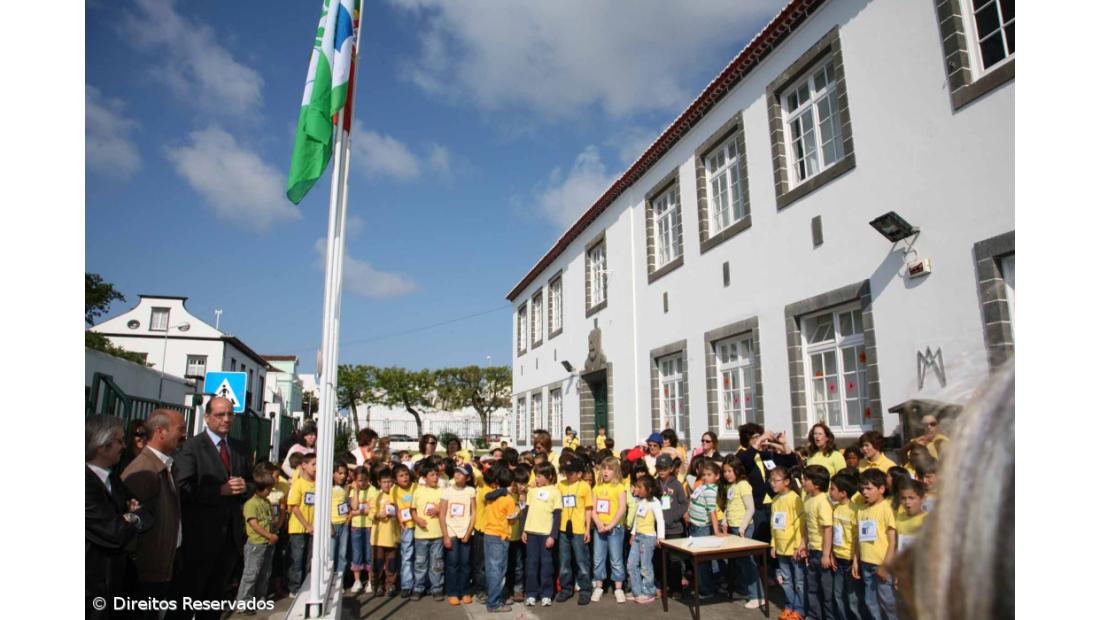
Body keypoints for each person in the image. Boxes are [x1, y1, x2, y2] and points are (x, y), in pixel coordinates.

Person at [895, 363, 1013, 620]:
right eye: (924, 426)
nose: (927, 430)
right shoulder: (915, 447)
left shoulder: (946, 444)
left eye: (931, 425)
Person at [174, 397, 253, 618]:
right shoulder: (191, 448)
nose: (226, 419)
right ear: (207, 417)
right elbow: (182, 488)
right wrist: (218, 491)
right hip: (199, 538)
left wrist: (245, 487)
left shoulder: (239, 448)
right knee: (187, 599)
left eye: (230, 414)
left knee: (214, 601)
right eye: (220, 415)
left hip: (229, 539)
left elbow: (253, 482)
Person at [86, 415, 151, 619]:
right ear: (101, 446)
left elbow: (146, 514)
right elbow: (113, 533)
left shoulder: (112, 480)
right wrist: (131, 516)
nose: (124, 446)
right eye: (119, 441)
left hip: (115, 583)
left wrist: (129, 517)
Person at [121, 409, 186, 613]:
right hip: (148, 572)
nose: (184, 435)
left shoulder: (166, 465)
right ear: (160, 431)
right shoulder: (144, 469)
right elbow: (133, 526)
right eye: (180, 429)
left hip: (164, 565)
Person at [853, 468, 898, 620]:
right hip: (866, 563)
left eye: (869, 488)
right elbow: (859, 538)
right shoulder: (862, 511)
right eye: (862, 489)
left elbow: (892, 541)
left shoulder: (887, 509)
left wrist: (885, 565)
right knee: (871, 601)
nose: (865, 492)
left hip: (881, 564)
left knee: (888, 603)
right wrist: (856, 561)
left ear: (881, 489)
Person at [719, 457, 762, 608]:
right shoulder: (731, 486)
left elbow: (750, 508)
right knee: (740, 563)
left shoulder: (743, 485)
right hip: (733, 527)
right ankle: (744, 590)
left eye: (730, 471)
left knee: (748, 562)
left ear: (737, 470)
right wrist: (725, 520)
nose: (727, 474)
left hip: (743, 528)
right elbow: (728, 506)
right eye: (725, 471)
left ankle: (757, 596)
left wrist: (743, 527)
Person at [236, 468, 279, 608]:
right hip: (256, 544)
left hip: (268, 543)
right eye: (268, 489)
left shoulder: (266, 502)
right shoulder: (251, 504)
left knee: (265, 573)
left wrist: (274, 531)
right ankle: (244, 602)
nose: (270, 492)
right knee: (251, 574)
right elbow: (253, 524)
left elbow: (270, 519)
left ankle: (260, 598)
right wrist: (269, 535)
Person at [522, 462, 562, 606]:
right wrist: (524, 530)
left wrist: (553, 535)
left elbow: (557, 515)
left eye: (539, 476)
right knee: (531, 564)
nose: (536, 479)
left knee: (546, 564)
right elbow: (526, 511)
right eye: (536, 476)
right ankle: (531, 593)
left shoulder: (555, 492)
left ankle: (546, 593)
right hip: (531, 533)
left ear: (549, 476)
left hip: (546, 533)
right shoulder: (532, 492)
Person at [768, 466, 805, 620]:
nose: (772, 483)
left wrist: (798, 545)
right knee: (786, 580)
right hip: (781, 547)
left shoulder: (795, 498)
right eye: (771, 480)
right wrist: (773, 544)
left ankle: (800, 609)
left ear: (787, 481)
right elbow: (773, 525)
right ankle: (789, 605)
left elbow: (800, 524)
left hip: (794, 548)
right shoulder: (775, 500)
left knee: (799, 581)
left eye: (776, 480)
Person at [555, 458, 593, 604]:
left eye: (571, 473)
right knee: (564, 561)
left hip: (579, 529)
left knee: (582, 561)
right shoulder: (561, 485)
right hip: (563, 529)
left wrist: (587, 529)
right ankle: (566, 589)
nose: (568, 475)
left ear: (579, 473)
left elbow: (588, 509)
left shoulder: (584, 486)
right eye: (566, 472)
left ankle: (585, 590)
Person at [591, 456, 628, 603]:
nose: (606, 472)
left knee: (616, 559)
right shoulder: (597, 488)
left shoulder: (619, 487)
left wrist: (611, 525)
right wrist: (599, 524)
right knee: (598, 558)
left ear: (616, 471)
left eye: (610, 469)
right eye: (604, 468)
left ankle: (618, 588)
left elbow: (622, 509)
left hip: (615, 529)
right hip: (599, 528)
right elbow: (593, 509)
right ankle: (599, 586)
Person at [483, 466, 518, 614]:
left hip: (489, 534)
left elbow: (487, 496)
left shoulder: (492, 496)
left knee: (491, 569)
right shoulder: (509, 500)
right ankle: (494, 603)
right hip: (500, 536)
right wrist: (518, 512)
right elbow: (511, 520)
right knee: (498, 570)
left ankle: (494, 597)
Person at [802, 465, 835, 620]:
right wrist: (804, 543)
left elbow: (828, 528)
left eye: (806, 479)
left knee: (827, 592)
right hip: (812, 549)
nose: (803, 482)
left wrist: (826, 554)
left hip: (822, 551)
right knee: (812, 587)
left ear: (817, 484)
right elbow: (807, 524)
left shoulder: (823, 501)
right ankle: (814, 615)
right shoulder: (808, 498)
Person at [686, 459, 723, 599]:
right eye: (704, 474)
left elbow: (712, 511)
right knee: (698, 560)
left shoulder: (711, 490)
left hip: (702, 528)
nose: (706, 477)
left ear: (717, 476)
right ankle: (705, 587)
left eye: (709, 474)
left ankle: (707, 590)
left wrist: (716, 531)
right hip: (695, 526)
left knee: (701, 561)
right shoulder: (703, 486)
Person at [441, 462, 476, 605]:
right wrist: (446, 535)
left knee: (465, 563)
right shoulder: (447, 491)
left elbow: (474, 513)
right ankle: (453, 592)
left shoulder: (470, 491)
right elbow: (442, 514)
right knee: (453, 563)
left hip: (466, 532)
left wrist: (469, 532)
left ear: (468, 478)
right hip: (451, 532)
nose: (457, 474)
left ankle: (465, 591)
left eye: (461, 473)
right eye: (456, 471)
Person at [654, 454, 688, 599]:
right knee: (660, 560)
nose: (662, 470)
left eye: (665, 468)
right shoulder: (655, 483)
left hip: (674, 529)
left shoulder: (677, 484)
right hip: (658, 530)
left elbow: (684, 504)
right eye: (659, 467)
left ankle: (677, 589)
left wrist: (674, 516)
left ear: (671, 468)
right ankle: (663, 586)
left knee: (675, 560)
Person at [411, 460, 445, 600]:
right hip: (421, 535)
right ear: (424, 477)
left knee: (437, 563)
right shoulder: (418, 491)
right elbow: (412, 510)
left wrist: (439, 509)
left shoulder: (442, 491)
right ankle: (418, 587)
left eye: (437, 474)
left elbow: (446, 508)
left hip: (438, 534)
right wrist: (417, 519)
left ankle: (437, 588)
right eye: (432, 475)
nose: (435, 477)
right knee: (420, 563)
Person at [627, 473, 664, 604]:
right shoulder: (640, 501)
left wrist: (660, 537)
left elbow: (660, 520)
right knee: (631, 564)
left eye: (640, 487)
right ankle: (637, 591)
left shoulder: (655, 502)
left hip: (648, 538)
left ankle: (649, 591)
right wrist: (633, 534)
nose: (637, 489)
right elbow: (636, 520)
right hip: (638, 537)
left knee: (645, 566)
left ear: (649, 489)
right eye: (636, 487)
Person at [829, 471, 861, 620]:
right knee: (838, 595)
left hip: (849, 560)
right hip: (838, 559)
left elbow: (857, 539)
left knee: (853, 599)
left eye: (832, 489)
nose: (830, 492)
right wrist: (831, 554)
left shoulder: (854, 511)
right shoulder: (835, 508)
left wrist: (855, 560)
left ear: (843, 493)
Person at [286, 452, 318, 594]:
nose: (316, 468)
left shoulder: (318, 484)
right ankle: (294, 588)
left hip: (313, 529)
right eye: (313, 464)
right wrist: (306, 525)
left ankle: (306, 585)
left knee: (309, 559)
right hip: (298, 529)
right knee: (297, 559)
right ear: (304, 465)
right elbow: (293, 506)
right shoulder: (298, 484)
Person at [370, 467, 400, 597]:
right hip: (378, 538)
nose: (387, 484)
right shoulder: (376, 496)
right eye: (384, 482)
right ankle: (377, 585)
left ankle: (391, 585)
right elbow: (370, 513)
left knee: (391, 563)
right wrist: (378, 515)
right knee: (377, 563)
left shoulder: (396, 495)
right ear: (379, 483)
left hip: (393, 537)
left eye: (389, 482)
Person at [349, 466, 376, 594]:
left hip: (369, 525)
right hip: (356, 526)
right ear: (355, 480)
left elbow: (371, 509)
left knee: (369, 553)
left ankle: (370, 581)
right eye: (360, 480)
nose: (363, 483)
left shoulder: (373, 490)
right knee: (357, 553)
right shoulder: (354, 491)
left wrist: (357, 512)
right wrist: (356, 491)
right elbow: (354, 506)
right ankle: (357, 581)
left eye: (365, 480)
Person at [393, 464, 417, 597]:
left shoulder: (416, 487)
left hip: (419, 526)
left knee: (419, 556)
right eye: (401, 476)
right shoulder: (394, 490)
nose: (405, 477)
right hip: (405, 526)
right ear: (396, 479)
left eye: (406, 474)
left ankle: (419, 584)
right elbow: (395, 506)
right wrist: (399, 518)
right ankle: (407, 585)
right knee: (407, 555)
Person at [331, 462, 352, 583]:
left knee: (342, 554)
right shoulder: (328, 488)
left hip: (344, 523)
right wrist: (329, 525)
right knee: (331, 554)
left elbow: (348, 505)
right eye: (340, 473)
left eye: (345, 473)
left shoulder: (346, 488)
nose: (343, 476)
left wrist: (348, 520)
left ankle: (339, 582)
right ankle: (330, 580)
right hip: (332, 523)